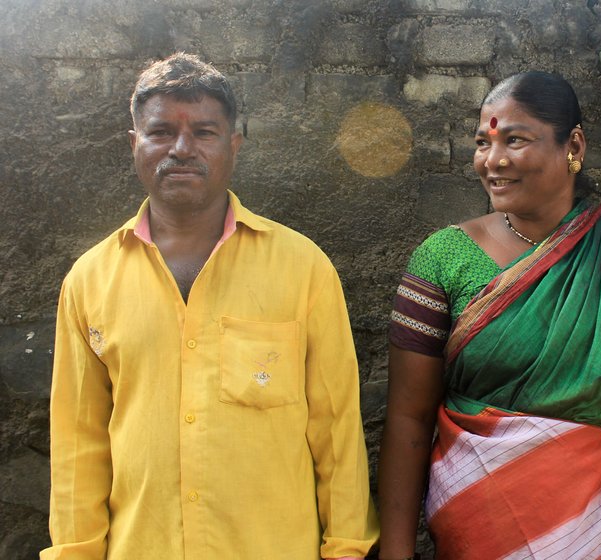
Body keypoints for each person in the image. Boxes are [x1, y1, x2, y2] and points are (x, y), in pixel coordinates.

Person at [377, 71, 601, 560]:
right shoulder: (444, 258)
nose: (493, 161)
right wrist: (397, 551)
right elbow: (408, 417)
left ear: (575, 145)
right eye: (483, 142)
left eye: (515, 140)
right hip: (483, 526)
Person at [42, 53, 378, 559]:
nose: (181, 148)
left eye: (203, 131)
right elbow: (78, 443)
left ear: (233, 145)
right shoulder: (90, 280)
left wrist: (347, 547)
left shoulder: (303, 268)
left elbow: (336, 427)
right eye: (161, 132)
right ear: (135, 144)